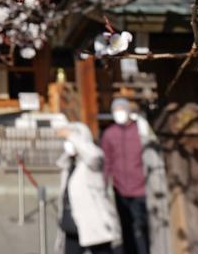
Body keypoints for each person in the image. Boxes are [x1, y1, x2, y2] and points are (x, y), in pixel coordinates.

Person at [101, 98, 171, 254]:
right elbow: (107, 162)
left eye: (121, 109)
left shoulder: (140, 131)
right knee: (126, 226)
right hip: (120, 189)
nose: (119, 113)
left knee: (141, 225)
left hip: (141, 187)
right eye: (116, 110)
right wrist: (104, 185)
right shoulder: (109, 134)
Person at [55, 122, 122, 254]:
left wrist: (71, 135)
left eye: (71, 139)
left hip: (94, 222)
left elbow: (93, 155)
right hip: (72, 223)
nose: (68, 143)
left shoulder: (92, 163)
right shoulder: (68, 164)